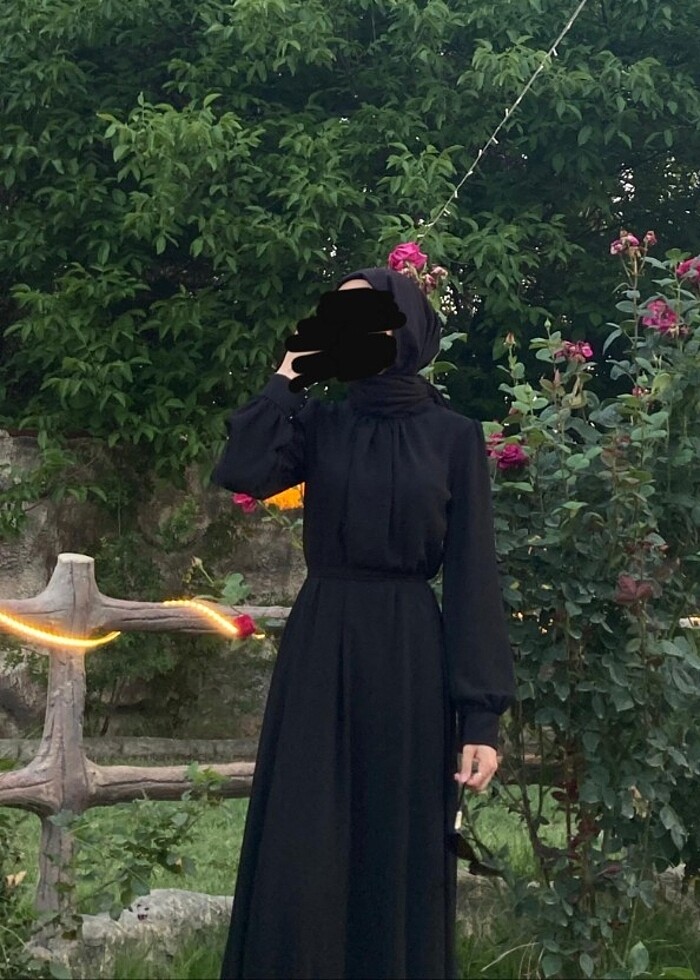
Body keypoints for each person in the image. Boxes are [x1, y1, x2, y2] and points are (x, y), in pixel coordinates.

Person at [211, 267, 517, 980]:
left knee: (396, 842)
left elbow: (472, 574)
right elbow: (243, 468)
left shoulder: (453, 436)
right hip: (322, 646)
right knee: (303, 837)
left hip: (410, 655)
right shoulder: (321, 424)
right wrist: (288, 376)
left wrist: (481, 718)